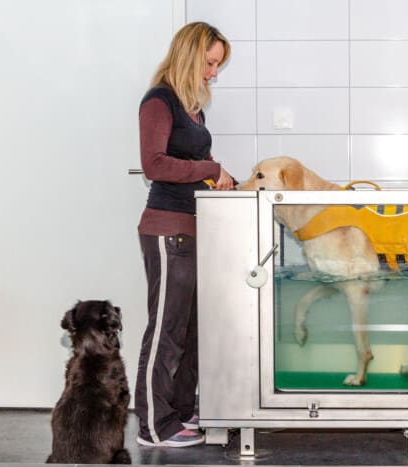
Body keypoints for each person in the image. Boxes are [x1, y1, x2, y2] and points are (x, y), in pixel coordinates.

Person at [134, 22, 234, 448]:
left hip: (194, 232)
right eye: (210, 63)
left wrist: (224, 180)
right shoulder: (160, 101)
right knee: (166, 330)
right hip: (167, 229)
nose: (213, 73)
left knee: (190, 329)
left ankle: (179, 413)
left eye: (217, 66)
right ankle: (154, 426)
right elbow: (155, 164)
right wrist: (211, 170)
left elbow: (196, 163)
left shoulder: (194, 109)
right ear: (191, 55)